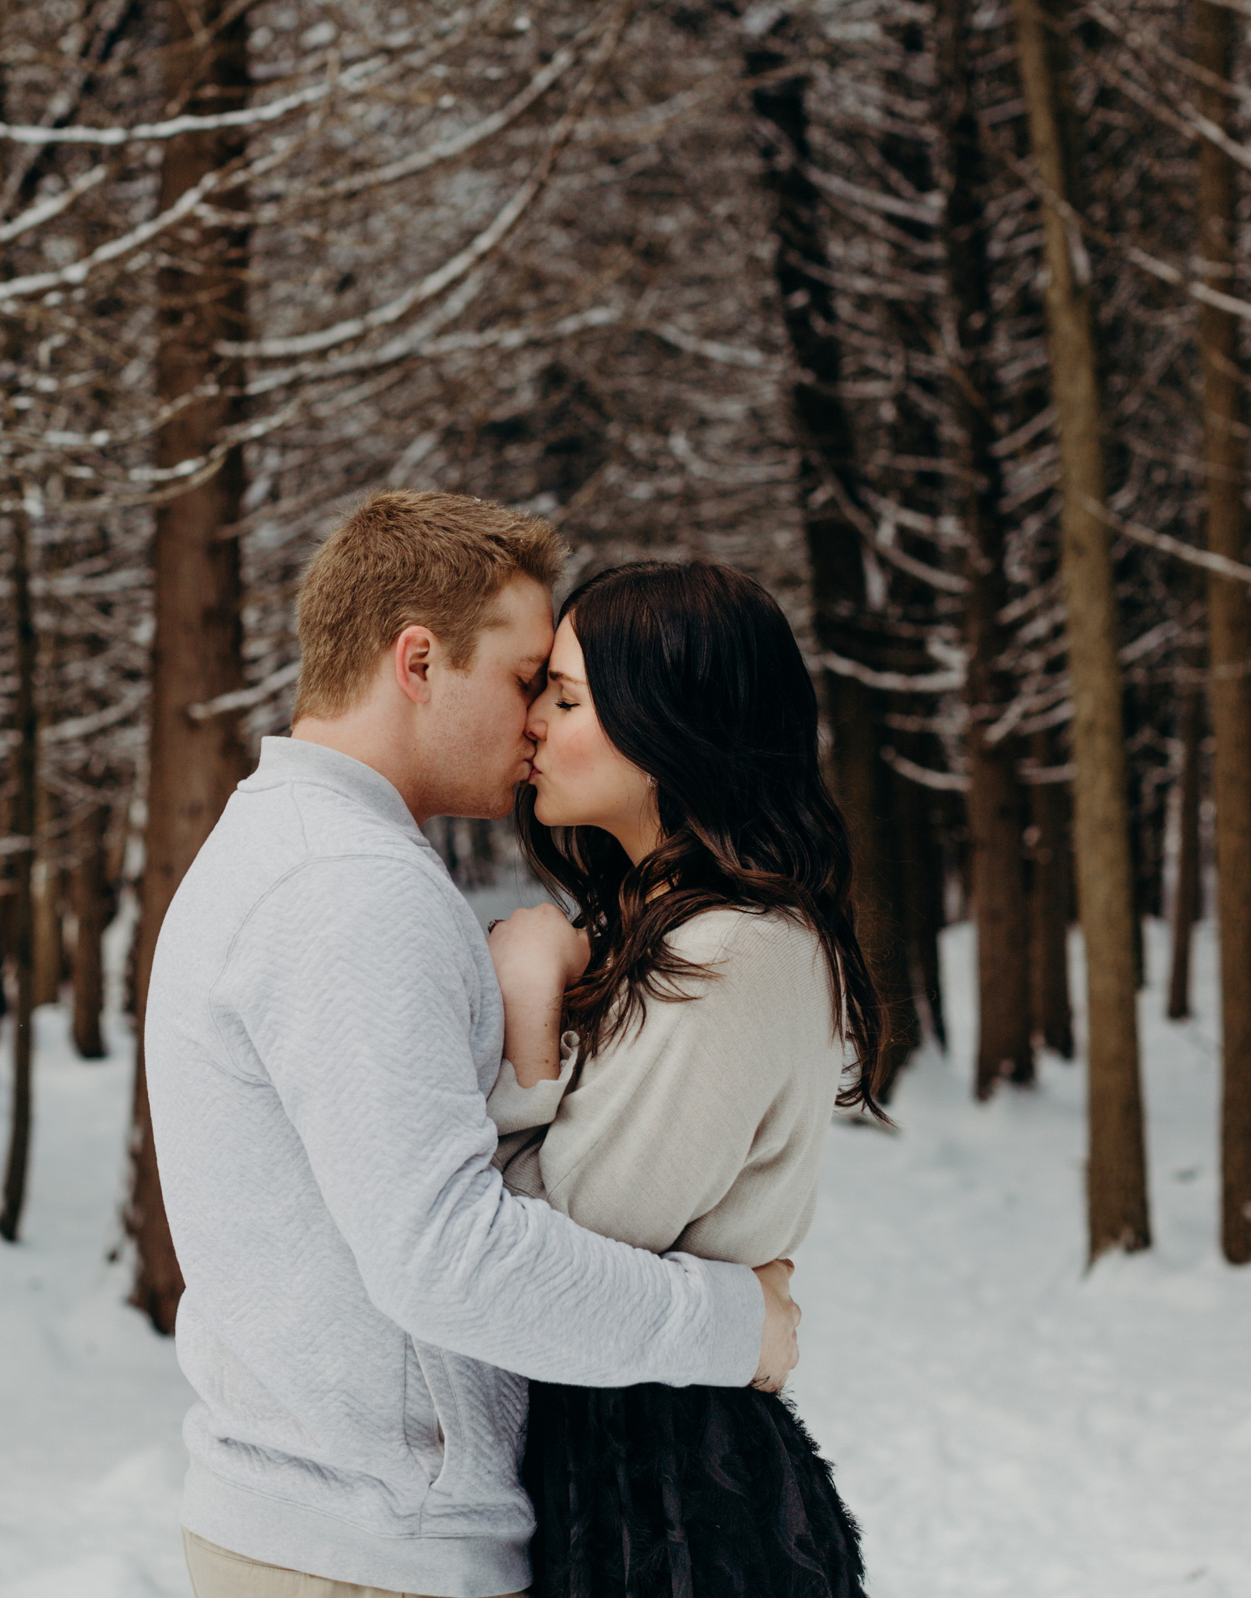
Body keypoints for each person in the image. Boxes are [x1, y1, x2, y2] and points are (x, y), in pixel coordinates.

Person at [147, 492, 803, 1598]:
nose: (536, 719)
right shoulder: (348, 888)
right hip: (367, 1549)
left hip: (336, 1529)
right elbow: (448, 1258)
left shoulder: (292, 847)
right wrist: (738, 1322)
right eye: (521, 681)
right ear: (417, 660)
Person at [485, 561, 889, 1598]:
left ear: (669, 728)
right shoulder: (654, 925)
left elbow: (569, 1232)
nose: (530, 721)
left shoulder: (738, 948)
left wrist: (531, 1020)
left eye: (566, 697)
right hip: (619, 1457)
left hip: (670, 1499)